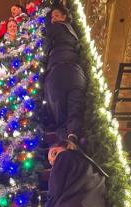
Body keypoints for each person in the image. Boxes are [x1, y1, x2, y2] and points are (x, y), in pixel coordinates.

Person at [43, 4, 86, 145]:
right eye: (52, 17)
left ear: (64, 17)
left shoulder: (53, 29)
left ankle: (66, 142)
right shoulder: (74, 34)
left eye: (56, 15)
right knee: (74, 108)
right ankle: (73, 137)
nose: (53, 19)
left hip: (59, 71)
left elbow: (45, 47)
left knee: (60, 113)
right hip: (74, 72)